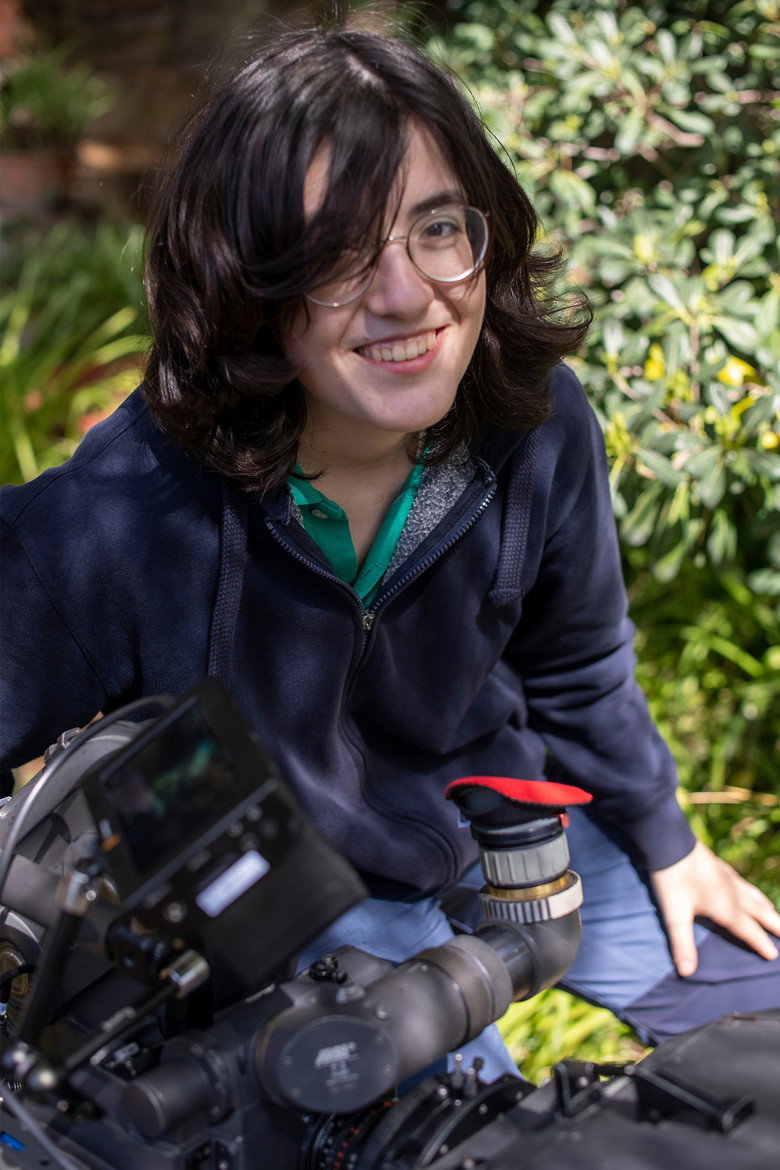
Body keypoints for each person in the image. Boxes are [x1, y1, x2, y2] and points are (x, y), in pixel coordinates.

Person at [1, 24, 778, 1083]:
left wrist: (667, 840)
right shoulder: (124, 514)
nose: (408, 296)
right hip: (290, 904)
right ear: (244, 281)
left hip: (497, 818)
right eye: (338, 253)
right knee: (478, 1129)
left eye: (438, 228)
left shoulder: (536, 424)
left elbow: (578, 661)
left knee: (762, 1019)